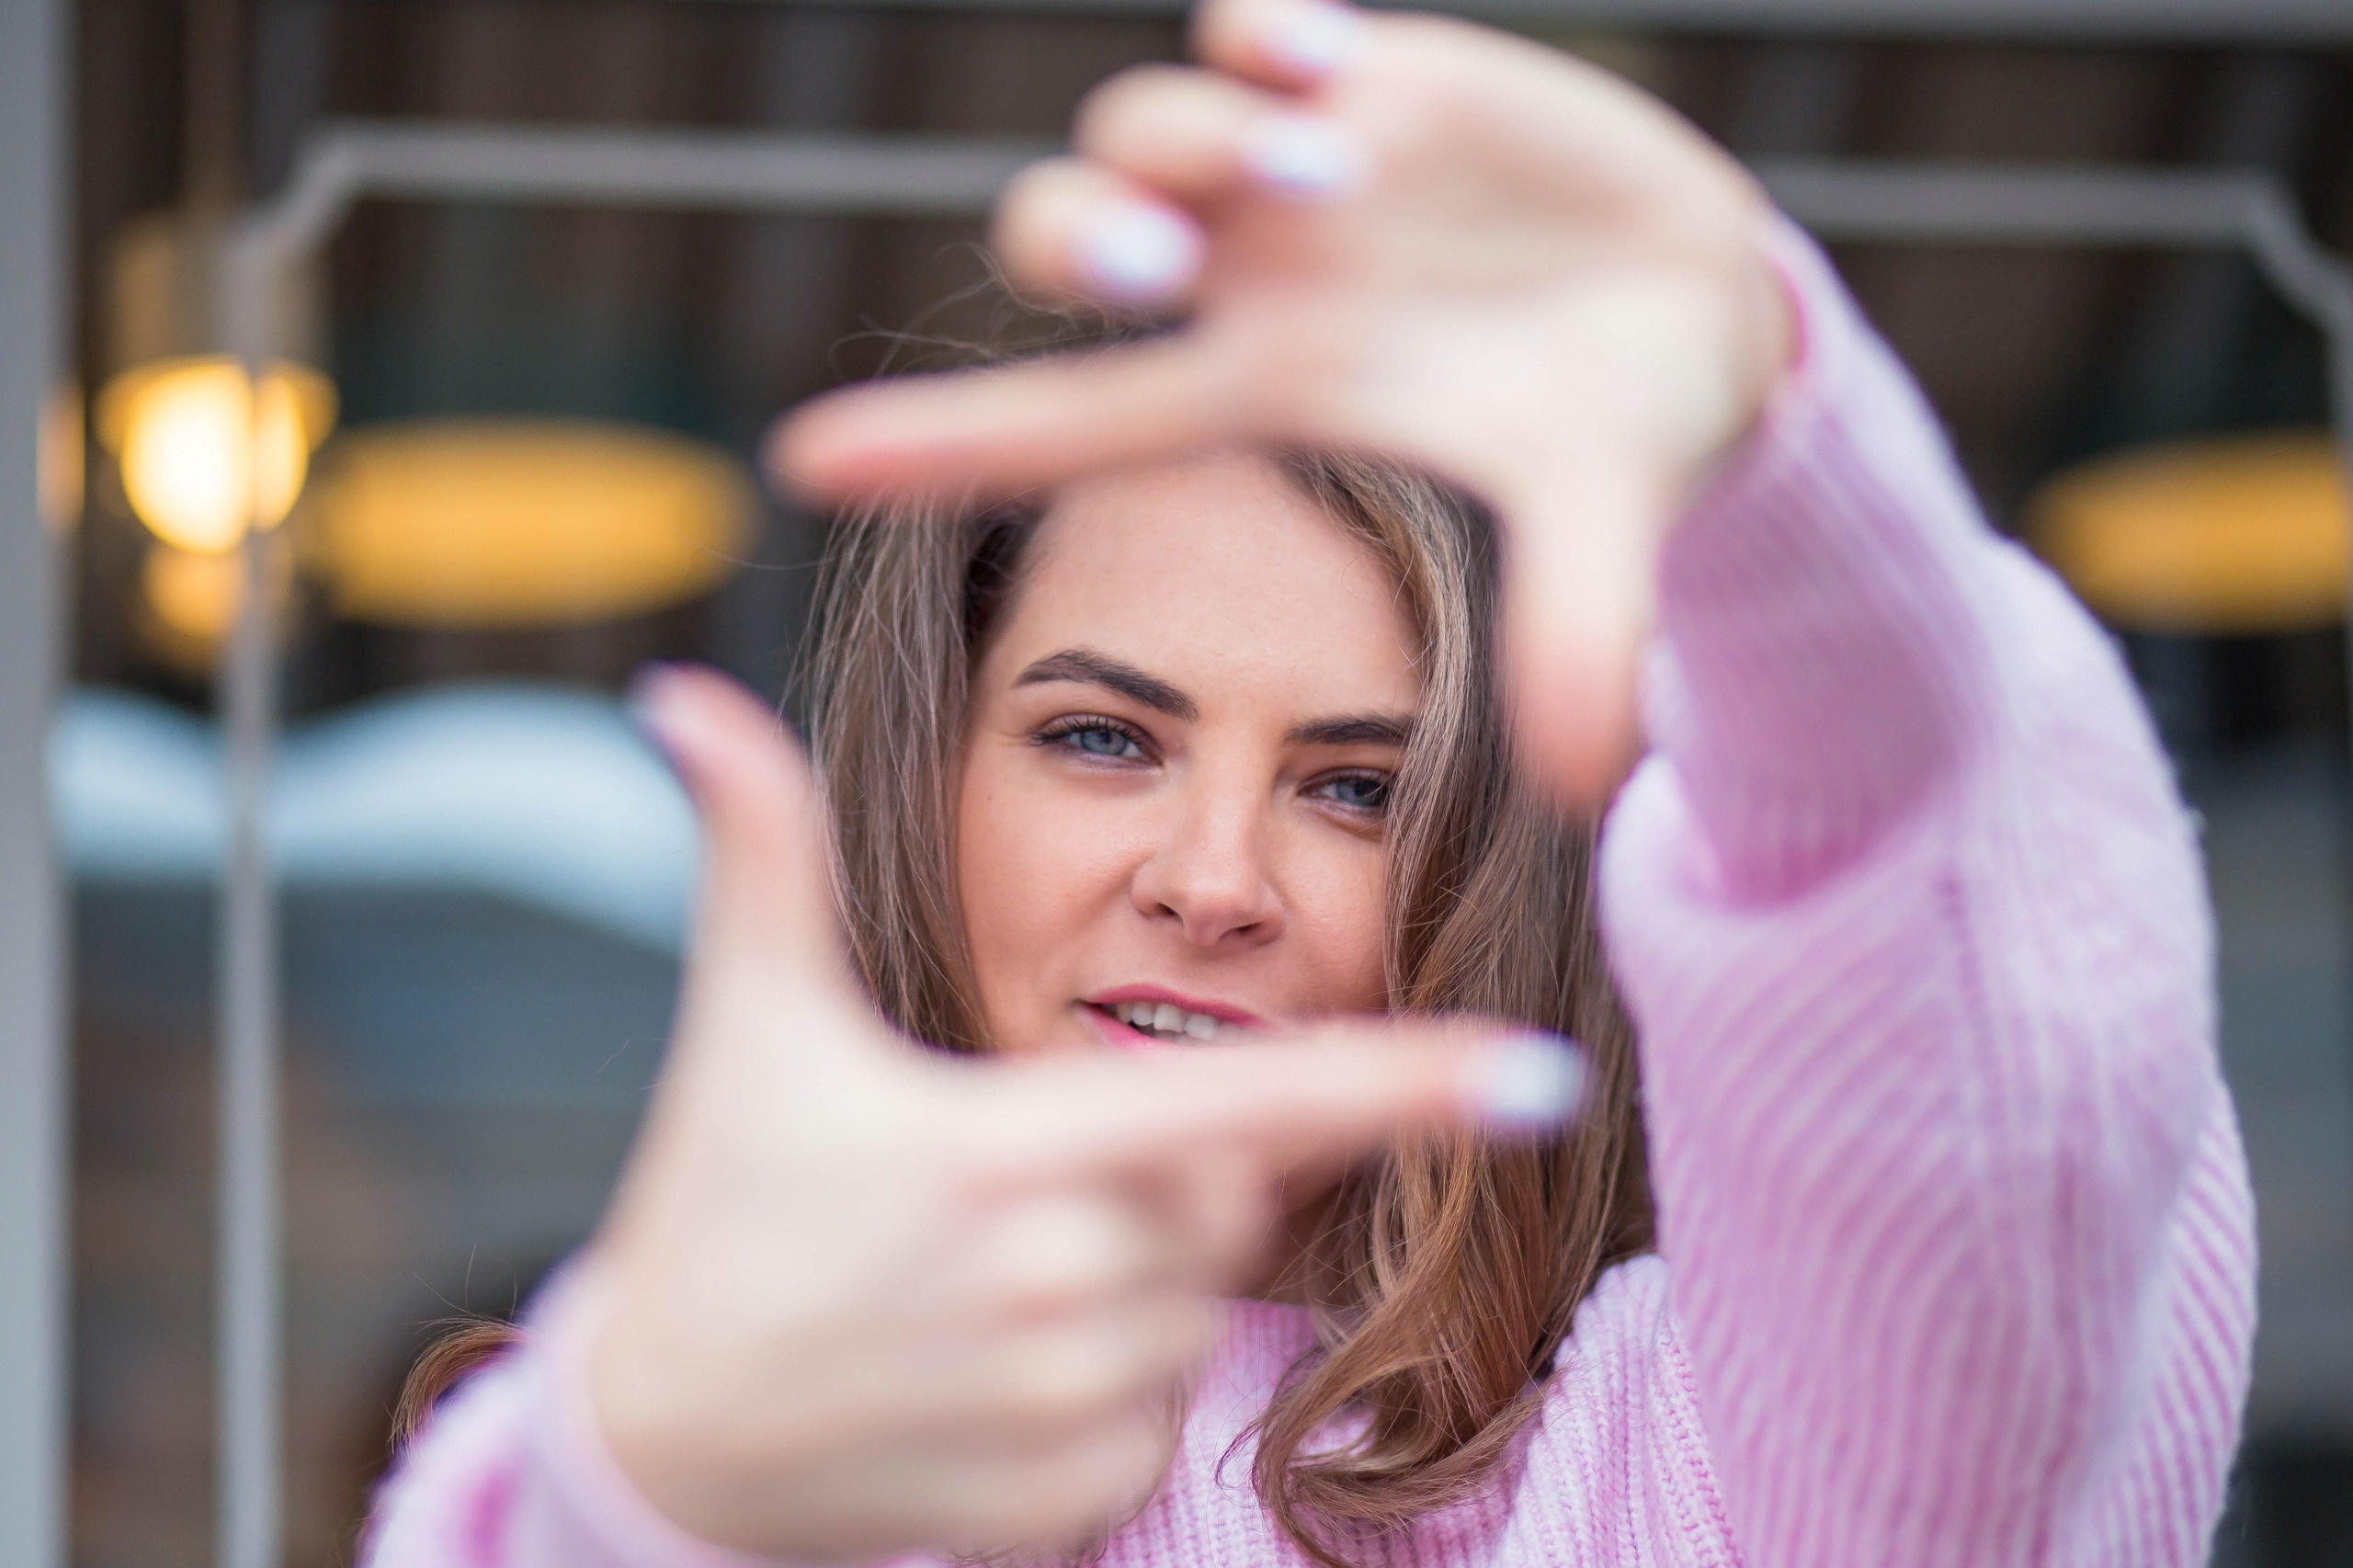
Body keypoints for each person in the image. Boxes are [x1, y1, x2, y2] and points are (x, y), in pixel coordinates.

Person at [361, 0, 2256, 1562]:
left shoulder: (1702, 1469)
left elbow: (1966, 1062)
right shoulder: (678, 1464)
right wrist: (643, 1498)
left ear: (1513, 872)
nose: (1209, 877)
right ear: (922, 786)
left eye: (1358, 787)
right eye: (1101, 737)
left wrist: (1779, 480)